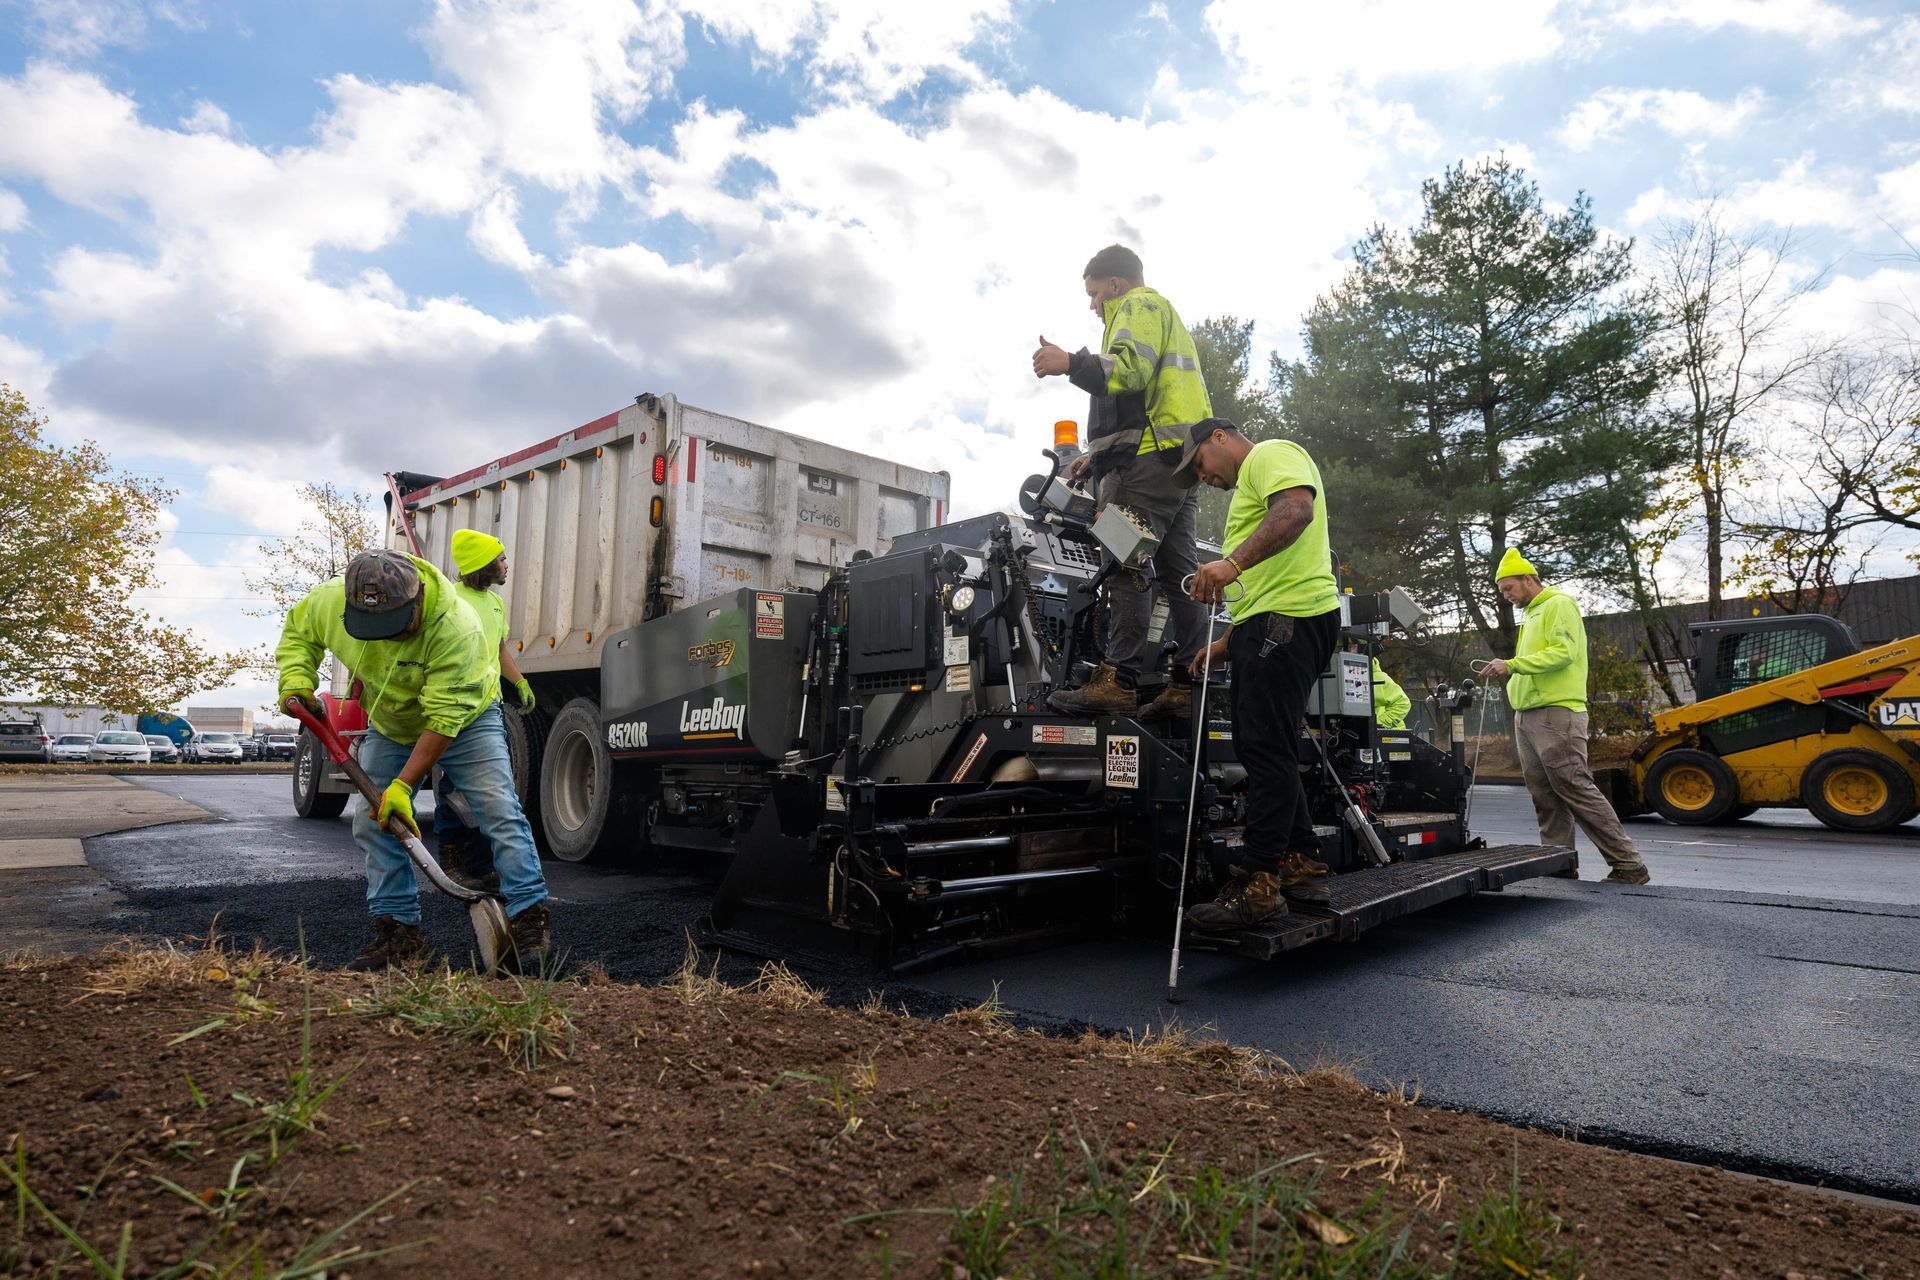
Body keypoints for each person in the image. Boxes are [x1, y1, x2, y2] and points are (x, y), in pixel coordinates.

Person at [276, 548, 553, 969]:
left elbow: (444, 719)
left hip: (467, 720)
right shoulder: (331, 602)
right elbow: (298, 631)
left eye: (396, 624)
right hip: (391, 721)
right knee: (373, 823)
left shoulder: (458, 628)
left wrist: (404, 786)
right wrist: (297, 679)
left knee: (499, 810)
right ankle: (399, 934)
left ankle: (529, 918)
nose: (387, 636)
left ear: (418, 597)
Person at [1171, 420, 1342, 927]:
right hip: (1270, 622)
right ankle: (1301, 860)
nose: (1202, 478)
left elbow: (1296, 510)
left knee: (1264, 748)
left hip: (1286, 619)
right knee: (1266, 745)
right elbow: (1273, 569)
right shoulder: (1251, 483)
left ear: (1220, 437)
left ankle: (1259, 882)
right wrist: (1230, 640)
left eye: (1199, 464)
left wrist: (1231, 565)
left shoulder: (1270, 453)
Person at [1031, 243, 1211, 722]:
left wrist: (1068, 361)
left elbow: (1128, 373)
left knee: (1123, 559)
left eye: (1094, 294)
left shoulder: (1138, 305)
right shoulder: (1164, 315)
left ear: (1115, 284)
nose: (1092, 305)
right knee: (1180, 576)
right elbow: (1148, 398)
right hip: (1176, 462)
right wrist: (1098, 456)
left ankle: (1119, 680)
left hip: (1148, 462)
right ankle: (1188, 684)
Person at [1483, 548, 1651, 885]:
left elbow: (1563, 653)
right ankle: (1558, 865)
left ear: (1528, 579)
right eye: (1503, 591)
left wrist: (1512, 664)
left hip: (1556, 713)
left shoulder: (1558, 604)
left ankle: (1629, 865)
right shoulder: (1531, 613)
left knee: (1574, 786)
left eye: (1508, 589)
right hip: (1529, 715)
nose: (1506, 597)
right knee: (1544, 794)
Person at [432, 529, 538, 893]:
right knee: (455, 787)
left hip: (488, 710)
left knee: (491, 792)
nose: (507, 564)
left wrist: (520, 682)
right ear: (483, 564)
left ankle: (480, 864)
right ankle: (451, 858)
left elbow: (499, 649)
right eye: (501, 558)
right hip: (456, 708)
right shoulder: (451, 601)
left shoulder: (495, 603)